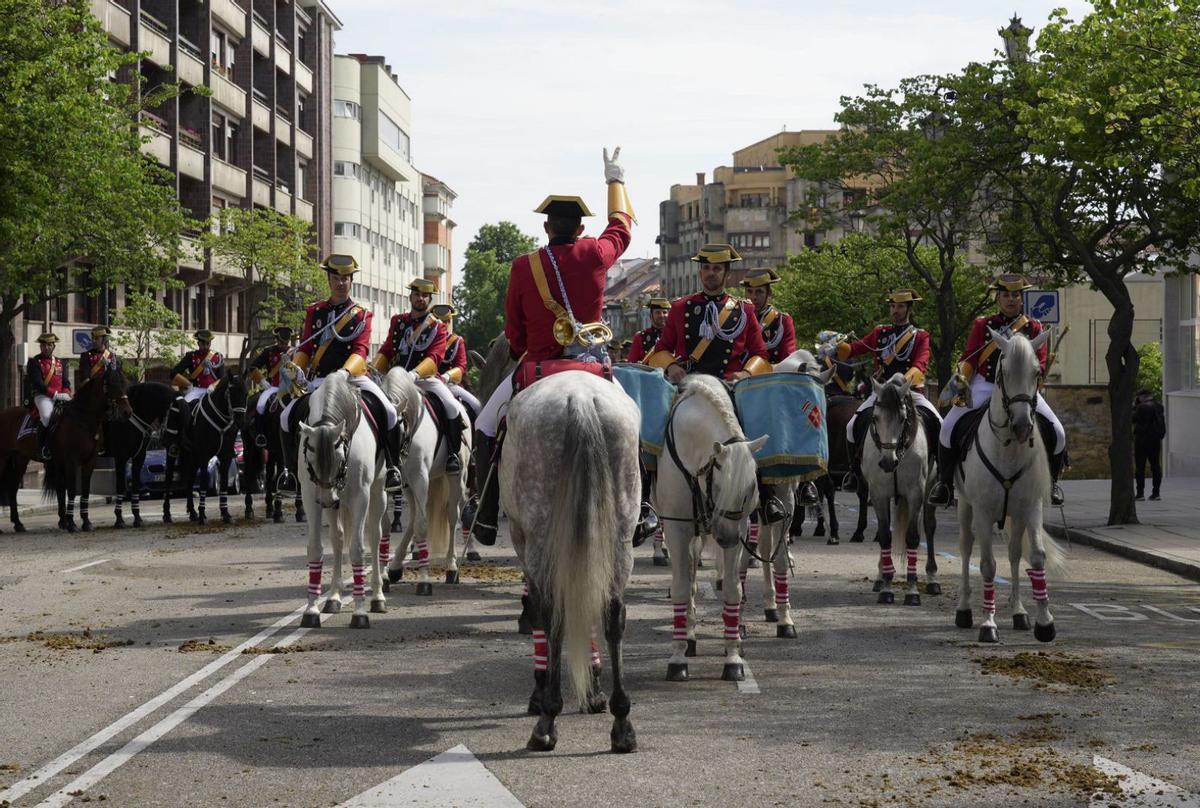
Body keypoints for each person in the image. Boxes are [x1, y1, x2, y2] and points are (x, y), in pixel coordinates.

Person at [472, 146, 635, 545]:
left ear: (547, 228)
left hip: (539, 367)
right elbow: (623, 227)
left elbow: (515, 335)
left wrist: (527, 346)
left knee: (485, 426)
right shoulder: (596, 252)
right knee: (633, 427)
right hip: (594, 368)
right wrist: (615, 180)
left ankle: (485, 513)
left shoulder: (523, 266)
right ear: (580, 229)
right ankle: (640, 509)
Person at [644, 243, 798, 521]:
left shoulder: (744, 310)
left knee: (756, 427)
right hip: (688, 388)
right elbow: (661, 350)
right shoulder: (680, 307)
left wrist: (747, 373)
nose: (710, 274)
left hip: (730, 390)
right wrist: (672, 365)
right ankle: (648, 499)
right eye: (706, 268)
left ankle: (766, 495)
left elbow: (761, 354)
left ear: (727, 273)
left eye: (717, 269)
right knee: (654, 430)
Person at [929, 274, 1067, 506]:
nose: (1011, 299)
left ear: (1022, 299)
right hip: (986, 384)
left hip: (1021, 388)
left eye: (1015, 295)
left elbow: (1040, 362)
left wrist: (1036, 375)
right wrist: (963, 377)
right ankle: (944, 484)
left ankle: (1051, 484)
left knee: (1059, 433)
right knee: (947, 427)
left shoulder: (1034, 327)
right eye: (1005, 295)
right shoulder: (984, 325)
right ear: (998, 298)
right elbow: (970, 357)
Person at [277, 254, 403, 493]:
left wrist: (344, 373)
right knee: (285, 417)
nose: (341, 283)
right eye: (336, 278)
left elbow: (361, 349)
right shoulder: (315, 312)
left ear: (351, 281)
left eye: (346, 278)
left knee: (388, 411)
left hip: (352, 378)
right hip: (319, 380)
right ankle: (290, 473)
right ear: (329, 279)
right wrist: (296, 368)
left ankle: (393, 467)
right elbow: (305, 347)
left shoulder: (362, 314)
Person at [830, 289, 941, 492]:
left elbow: (920, 364)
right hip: (881, 392)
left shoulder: (921, 336)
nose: (895, 311)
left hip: (909, 391)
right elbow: (854, 350)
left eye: (900, 306)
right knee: (851, 426)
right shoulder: (880, 333)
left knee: (940, 424)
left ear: (909, 308)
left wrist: (900, 384)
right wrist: (837, 345)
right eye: (892, 306)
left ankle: (942, 477)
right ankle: (854, 473)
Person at [372, 278, 468, 474]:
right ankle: (382, 456)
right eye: (417, 294)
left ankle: (452, 454)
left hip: (424, 380)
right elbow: (388, 349)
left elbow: (435, 357)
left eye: (425, 295)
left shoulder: (437, 326)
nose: (420, 298)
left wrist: (414, 375)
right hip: (397, 381)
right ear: (410, 296)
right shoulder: (398, 321)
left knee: (451, 406)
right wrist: (373, 369)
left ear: (430, 299)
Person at [25, 333, 71, 461]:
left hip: (61, 396)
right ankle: (42, 448)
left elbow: (66, 381)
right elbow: (38, 384)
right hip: (43, 396)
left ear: (53, 346)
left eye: (49, 345)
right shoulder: (34, 362)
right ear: (40, 346)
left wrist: (66, 392)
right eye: (44, 345)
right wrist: (55, 394)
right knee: (46, 416)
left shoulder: (60, 362)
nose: (46, 347)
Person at [432, 303, 482, 420]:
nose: (443, 324)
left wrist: (446, 377)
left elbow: (461, 365)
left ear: (449, 322)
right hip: (426, 380)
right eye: (438, 321)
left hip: (449, 384)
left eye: (446, 321)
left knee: (477, 406)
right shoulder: (424, 340)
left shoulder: (457, 341)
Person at [248, 325, 292, 448]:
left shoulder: (294, 351)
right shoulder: (268, 351)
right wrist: (261, 380)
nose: (284, 345)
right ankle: (260, 434)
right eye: (282, 342)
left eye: (286, 342)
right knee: (260, 405)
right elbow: (253, 367)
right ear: (277, 341)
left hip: (290, 387)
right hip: (273, 386)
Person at [743, 270, 797, 365]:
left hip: (771, 377)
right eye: (749, 291)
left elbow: (788, 359)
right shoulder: (737, 320)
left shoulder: (782, 322)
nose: (753, 297)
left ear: (769, 293)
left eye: (759, 292)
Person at [170, 329, 225, 404]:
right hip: (196, 390)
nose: (205, 346)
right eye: (203, 343)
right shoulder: (191, 356)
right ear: (198, 343)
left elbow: (222, 378)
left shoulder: (218, 357)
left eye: (208, 343)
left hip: (213, 390)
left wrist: (213, 386)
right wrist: (188, 384)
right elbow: (173, 373)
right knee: (183, 406)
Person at [1133, 388, 1165, 501]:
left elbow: (1133, 418)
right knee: (1155, 465)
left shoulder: (1141, 407)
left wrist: (1135, 406)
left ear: (1141, 397)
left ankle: (1140, 493)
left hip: (1142, 439)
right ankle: (1156, 493)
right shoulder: (1159, 406)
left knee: (1140, 466)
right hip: (1155, 439)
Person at [626, 298, 670, 364]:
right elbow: (632, 364)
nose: (662, 315)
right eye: (658, 312)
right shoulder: (640, 337)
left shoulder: (675, 335)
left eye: (664, 312)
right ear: (650, 316)